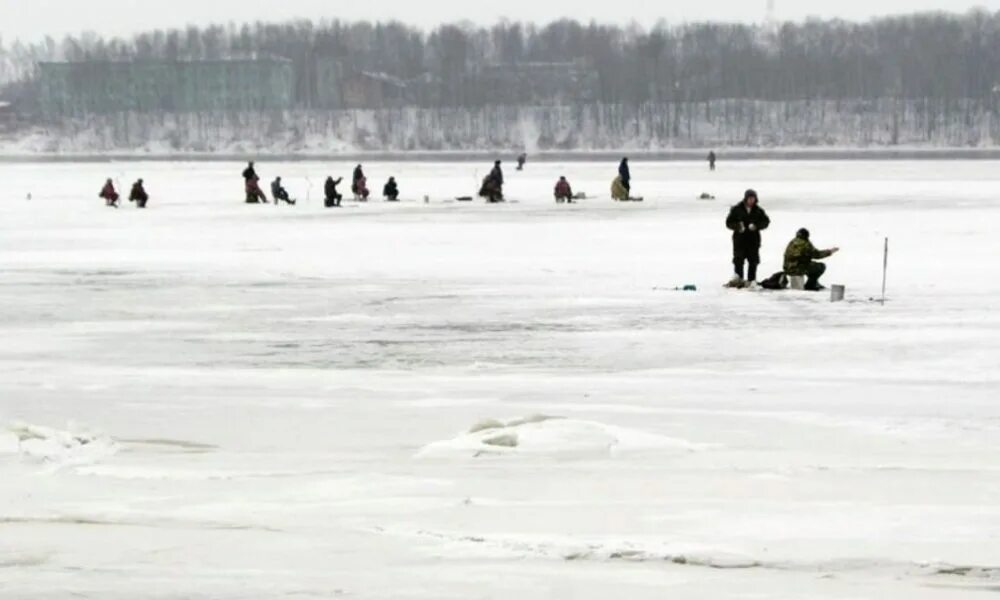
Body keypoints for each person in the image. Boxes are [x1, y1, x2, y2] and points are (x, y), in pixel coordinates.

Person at [725, 189, 771, 286]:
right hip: (739, 239)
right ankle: (739, 279)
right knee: (738, 260)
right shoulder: (736, 209)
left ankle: (751, 280)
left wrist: (756, 226)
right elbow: (728, 222)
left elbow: (766, 222)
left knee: (753, 261)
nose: (751, 200)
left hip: (753, 240)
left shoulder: (758, 210)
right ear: (745, 199)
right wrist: (738, 227)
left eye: (753, 198)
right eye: (749, 198)